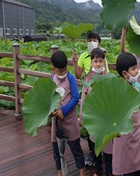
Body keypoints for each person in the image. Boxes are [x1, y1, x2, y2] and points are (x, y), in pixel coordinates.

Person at [71, 31, 109, 167]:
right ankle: (92, 153)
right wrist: (75, 62)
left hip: (100, 94)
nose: (92, 42)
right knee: (89, 126)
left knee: (100, 125)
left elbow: (107, 75)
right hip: (88, 91)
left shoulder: (103, 57)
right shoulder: (84, 56)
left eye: (95, 40)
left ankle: (100, 152)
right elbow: (78, 75)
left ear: (99, 42)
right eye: (90, 40)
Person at [50, 50, 85, 176]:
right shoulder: (51, 79)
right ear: (53, 68)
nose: (63, 73)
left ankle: (82, 172)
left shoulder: (70, 78)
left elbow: (75, 97)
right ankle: (60, 173)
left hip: (69, 119)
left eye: (65, 69)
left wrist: (64, 111)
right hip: (57, 121)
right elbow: (49, 99)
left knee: (76, 148)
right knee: (56, 150)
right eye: (60, 71)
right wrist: (51, 112)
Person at [79, 48, 112, 176]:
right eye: (95, 61)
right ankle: (98, 170)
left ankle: (109, 171)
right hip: (93, 117)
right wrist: (83, 118)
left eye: (100, 61)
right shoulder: (87, 79)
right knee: (95, 145)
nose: (98, 64)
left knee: (108, 146)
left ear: (104, 61)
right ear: (91, 62)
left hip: (106, 116)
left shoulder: (109, 77)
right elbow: (84, 100)